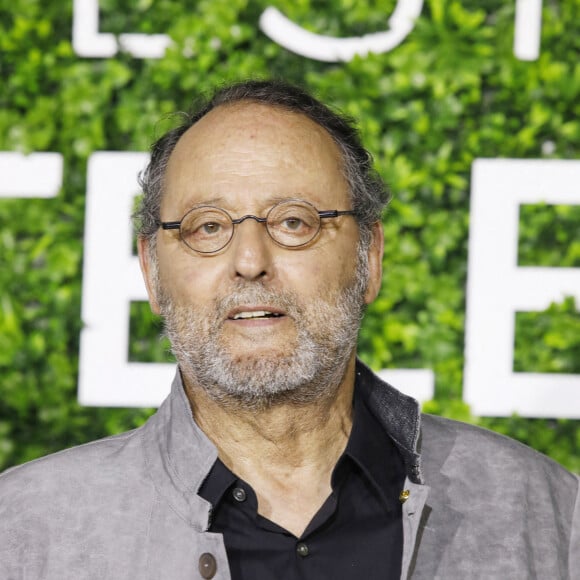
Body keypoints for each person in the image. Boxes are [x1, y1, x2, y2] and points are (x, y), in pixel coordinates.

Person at [0, 80, 578, 580]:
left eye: (294, 221)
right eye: (207, 228)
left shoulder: (542, 510)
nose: (250, 259)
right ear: (152, 271)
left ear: (369, 258)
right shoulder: (26, 530)